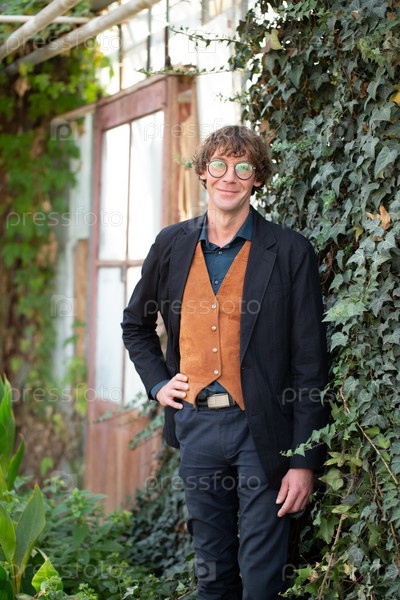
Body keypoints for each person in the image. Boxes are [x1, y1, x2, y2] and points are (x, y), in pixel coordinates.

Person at [121, 125, 329, 599]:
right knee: (212, 574)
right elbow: (136, 324)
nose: (229, 176)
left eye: (242, 167)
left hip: (264, 431)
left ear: (258, 178)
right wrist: (158, 384)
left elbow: (310, 363)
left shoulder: (289, 251)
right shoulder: (171, 245)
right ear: (203, 172)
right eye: (218, 164)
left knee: (262, 578)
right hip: (196, 426)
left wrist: (304, 460)